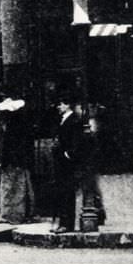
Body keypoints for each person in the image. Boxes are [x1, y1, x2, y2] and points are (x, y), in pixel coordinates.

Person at [0, 92, 35, 224]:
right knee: (19, 188)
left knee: (10, 189)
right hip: (19, 161)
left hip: (12, 162)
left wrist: (2, 160)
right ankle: (19, 213)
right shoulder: (19, 127)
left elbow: (7, 147)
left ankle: (11, 214)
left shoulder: (10, 129)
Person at [51, 93, 85, 233]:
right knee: (62, 191)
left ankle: (66, 223)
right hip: (61, 160)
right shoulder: (64, 119)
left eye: (61, 104)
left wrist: (68, 154)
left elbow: (76, 141)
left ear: (67, 105)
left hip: (66, 162)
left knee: (66, 191)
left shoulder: (74, 120)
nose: (58, 107)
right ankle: (62, 222)